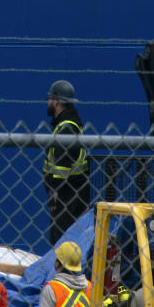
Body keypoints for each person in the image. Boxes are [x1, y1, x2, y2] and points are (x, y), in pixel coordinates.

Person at [43, 80, 90, 244]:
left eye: (50, 99)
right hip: (72, 195)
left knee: (61, 242)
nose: (48, 102)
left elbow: (62, 167)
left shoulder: (66, 129)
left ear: (56, 101)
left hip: (66, 197)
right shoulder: (69, 124)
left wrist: (53, 193)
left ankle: (61, 270)